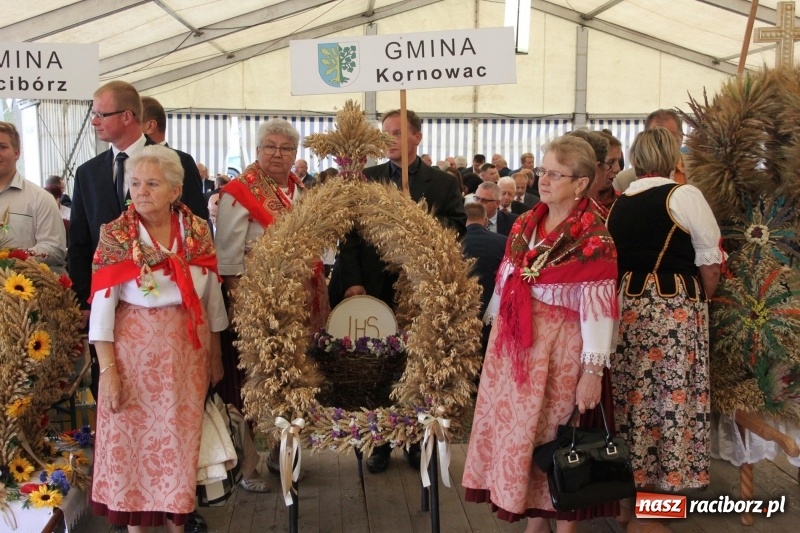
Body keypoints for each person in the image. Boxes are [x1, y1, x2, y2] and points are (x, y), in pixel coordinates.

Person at [462, 135, 618, 532]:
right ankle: (534, 519)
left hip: (558, 348)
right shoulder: (527, 222)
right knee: (524, 436)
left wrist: (592, 373)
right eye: (543, 171)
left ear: (581, 182)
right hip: (515, 346)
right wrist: (495, 329)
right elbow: (508, 279)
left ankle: (563, 523)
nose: (544, 180)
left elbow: (599, 312)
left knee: (556, 438)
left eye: (555, 174)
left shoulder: (593, 238)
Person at [87, 145, 229, 532]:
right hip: (134, 359)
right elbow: (101, 313)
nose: (141, 191)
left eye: (152, 183)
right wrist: (109, 372)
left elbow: (212, 298)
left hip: (188, 356)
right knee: (135, 446)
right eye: (135, 183)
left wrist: (216, 355)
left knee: (179, 444)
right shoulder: (117, 235)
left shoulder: (197, 231)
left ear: (175, 190)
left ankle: (177, 523)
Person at [328, 108, 465, 474]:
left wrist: (417, 218)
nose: (388, 139)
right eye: (384, 133)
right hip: (374, 288)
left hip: (422, 292)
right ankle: (381, 441)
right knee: (378, 364)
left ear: (417, 137)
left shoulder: (442, 183)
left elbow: (456, 227)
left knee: (417, 364)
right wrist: (352, 281)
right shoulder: (367, 179)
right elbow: (350, 236)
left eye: (396, 132)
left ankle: (417, 440)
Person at [607, 127, 721, 532]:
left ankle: (625, 505)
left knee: (632, 407)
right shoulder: (682, 195)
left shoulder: (620, 203)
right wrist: (702, 301)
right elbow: (710, 259)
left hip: (626, 313)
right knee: (669, 408)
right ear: (674, 156)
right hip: (671, 313)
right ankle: (653, 517)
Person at [68, 80, 207, 404]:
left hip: (171, 321)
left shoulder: (177, 162)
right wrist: (83, 301)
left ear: (128, 116)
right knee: (117, 396)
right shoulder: (88, 173)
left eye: (102, 114)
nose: (95, 121)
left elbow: (199, 235)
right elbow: (79, 242)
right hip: (107, 313)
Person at [0, 121, 67, 272]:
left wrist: (10, 259)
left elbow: (55, 249)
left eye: (2, 147)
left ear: (17, 153)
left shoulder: (41, 199)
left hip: (23, 290)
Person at [614, 109, 687, 192]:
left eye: (670, 138)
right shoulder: (623, 180)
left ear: (681, 137)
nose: (664, 145)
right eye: (656, 138)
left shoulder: (700, 171)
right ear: (646, 138)